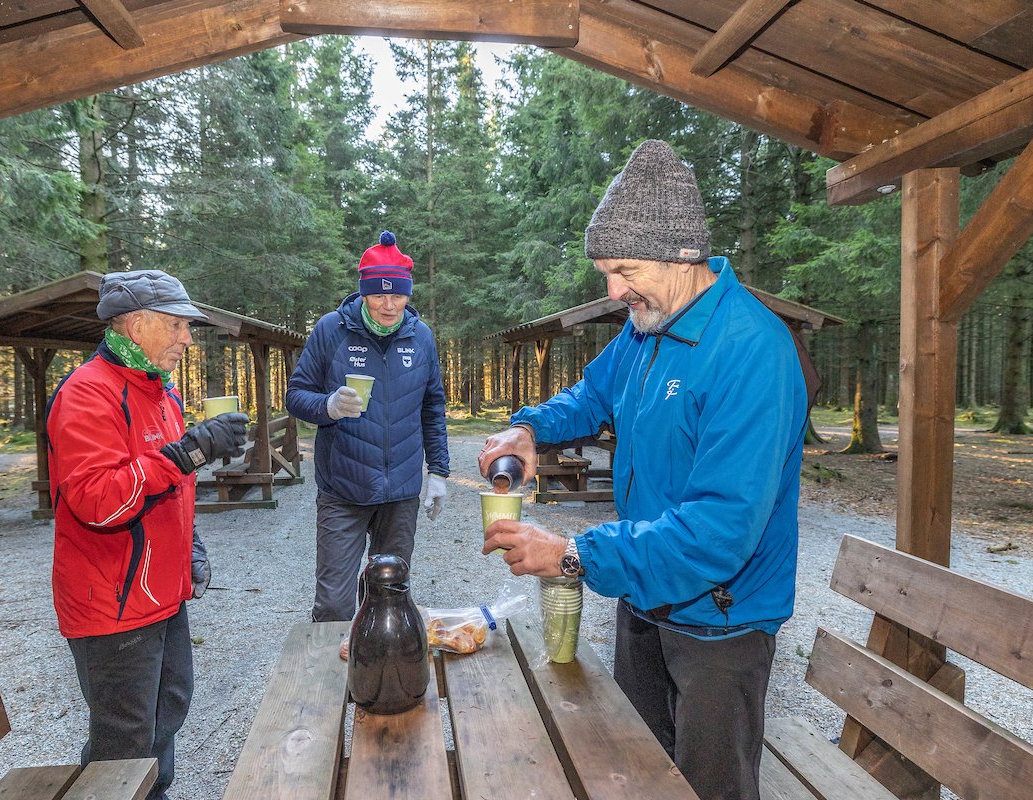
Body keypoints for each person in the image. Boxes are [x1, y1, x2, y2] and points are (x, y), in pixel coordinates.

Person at [478, 141, 809, 800]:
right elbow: (595, 394)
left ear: (684, 256)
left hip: (722, 622)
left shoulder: (752, 352)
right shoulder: (646, 325)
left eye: (624, 268)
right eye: (605, 270)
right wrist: (531, 426)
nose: (613, 289)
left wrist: (574, 553)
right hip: (644, 595)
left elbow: (719, 531)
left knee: (710, 787)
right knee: (637, 771)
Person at [47, 270, 249, 800]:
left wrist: (192, 549)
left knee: (165, 714)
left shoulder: (160, 391)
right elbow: (97, 501)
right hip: (111, 603)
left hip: (160, 594)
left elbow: (170, 489)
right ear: (137, 325)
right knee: (124, 741)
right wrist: (191, 450)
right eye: (178, 325)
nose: (188, 338)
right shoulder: (88, 393)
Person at [286, 231, 450, 622]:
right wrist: (328, 406)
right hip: (343, 488)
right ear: (363, 293)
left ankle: (381, 678)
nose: (389, 306)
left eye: (398, 296)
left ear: (409, 295)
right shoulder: (331, 330)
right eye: (378, 295)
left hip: (400, 494)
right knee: (333, 605)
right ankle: (332, 682)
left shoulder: (421, 337)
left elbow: (433, 406)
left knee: (390, 596)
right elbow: (296, 396)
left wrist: (440, 472)